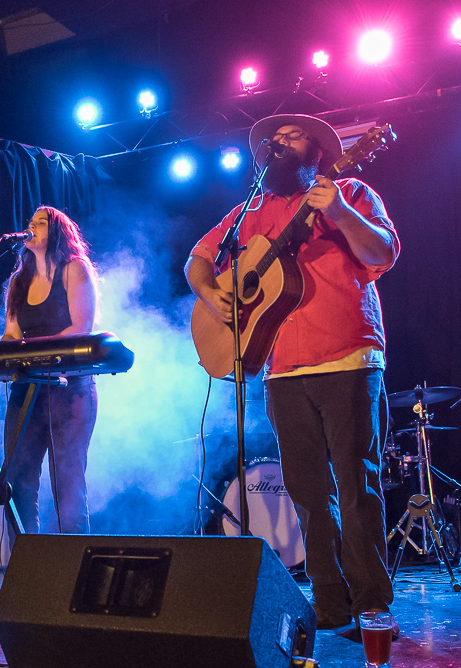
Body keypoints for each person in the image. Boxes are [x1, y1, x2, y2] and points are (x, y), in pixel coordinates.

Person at [185, 114, 400, 633]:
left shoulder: (351, 191)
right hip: (280, 367)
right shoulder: (249, 212)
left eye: (293, 137)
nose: (279, 143)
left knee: (356, 485)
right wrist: (211, 294)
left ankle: (371, 602)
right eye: (274, 140)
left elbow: (383, 253)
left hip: (347, 356)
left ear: (318, 151)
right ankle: (328, 602)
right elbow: (198, 259)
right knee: (307, 492)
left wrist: (340, 212)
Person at [1, 206, 98, 534]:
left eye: (40, 223)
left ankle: (75, 563)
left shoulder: (74, 269)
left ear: (58, 231)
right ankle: (27, 563)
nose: (31, 226)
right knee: (17, 483)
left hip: (70, 388)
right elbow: (12, 334)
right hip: (27, 389)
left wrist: (32, 351)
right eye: (30, 222)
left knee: (68, 487)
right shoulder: (18, 281)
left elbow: (81, 327)